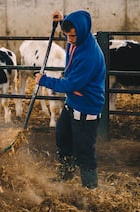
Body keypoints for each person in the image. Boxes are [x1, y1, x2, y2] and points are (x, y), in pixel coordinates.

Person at [35, 10, 105, 189]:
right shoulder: (77, 38)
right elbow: (72, 27)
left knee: (84, 150)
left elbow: (70, 84)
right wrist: (62, 20)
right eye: (66, 35)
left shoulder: (88, 55)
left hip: (86, 106)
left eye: (72, 35)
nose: (69, 39)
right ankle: (65, 175)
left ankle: (91, 188)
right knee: (63, 137)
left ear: (82, 32)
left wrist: (44, 80)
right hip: (74, 101)